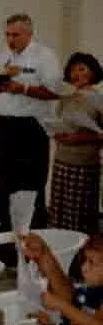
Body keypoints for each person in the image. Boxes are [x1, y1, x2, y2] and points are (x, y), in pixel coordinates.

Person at [0, 13, 60, 234]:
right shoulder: (4, 56)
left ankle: (35, 239)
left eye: (16, 35)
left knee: (31, 185)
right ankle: (6, 242)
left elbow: (55, 92)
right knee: (4, 185)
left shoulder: (44, 56)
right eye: (7, 34)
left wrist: (24, 89)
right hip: (6, 125)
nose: (10, 40)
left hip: (31, 127)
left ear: (29, 34)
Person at [48, 52, 103, 234]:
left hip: (84, 167)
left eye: (82, 69)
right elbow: (59, 123)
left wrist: (80, 138)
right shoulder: (66, 97)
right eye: (73, 70)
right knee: (60, 215)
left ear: (93, 72)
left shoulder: (98, 99)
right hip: (62, 163)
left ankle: (82, 258)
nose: (76, 74)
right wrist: (56, 133)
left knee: (79, 220)